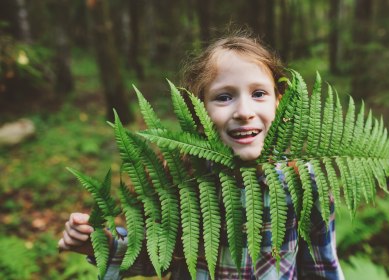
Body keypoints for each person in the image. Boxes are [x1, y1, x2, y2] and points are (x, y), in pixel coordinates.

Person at [58, 30, 345, 280]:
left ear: (279, 102)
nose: (244, 111)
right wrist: (98, 242)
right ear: (198, 111)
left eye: (259, 94)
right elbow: (152, 255)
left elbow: (321, 269)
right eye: (224, 97)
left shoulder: (306, 184)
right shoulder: (182, 181)